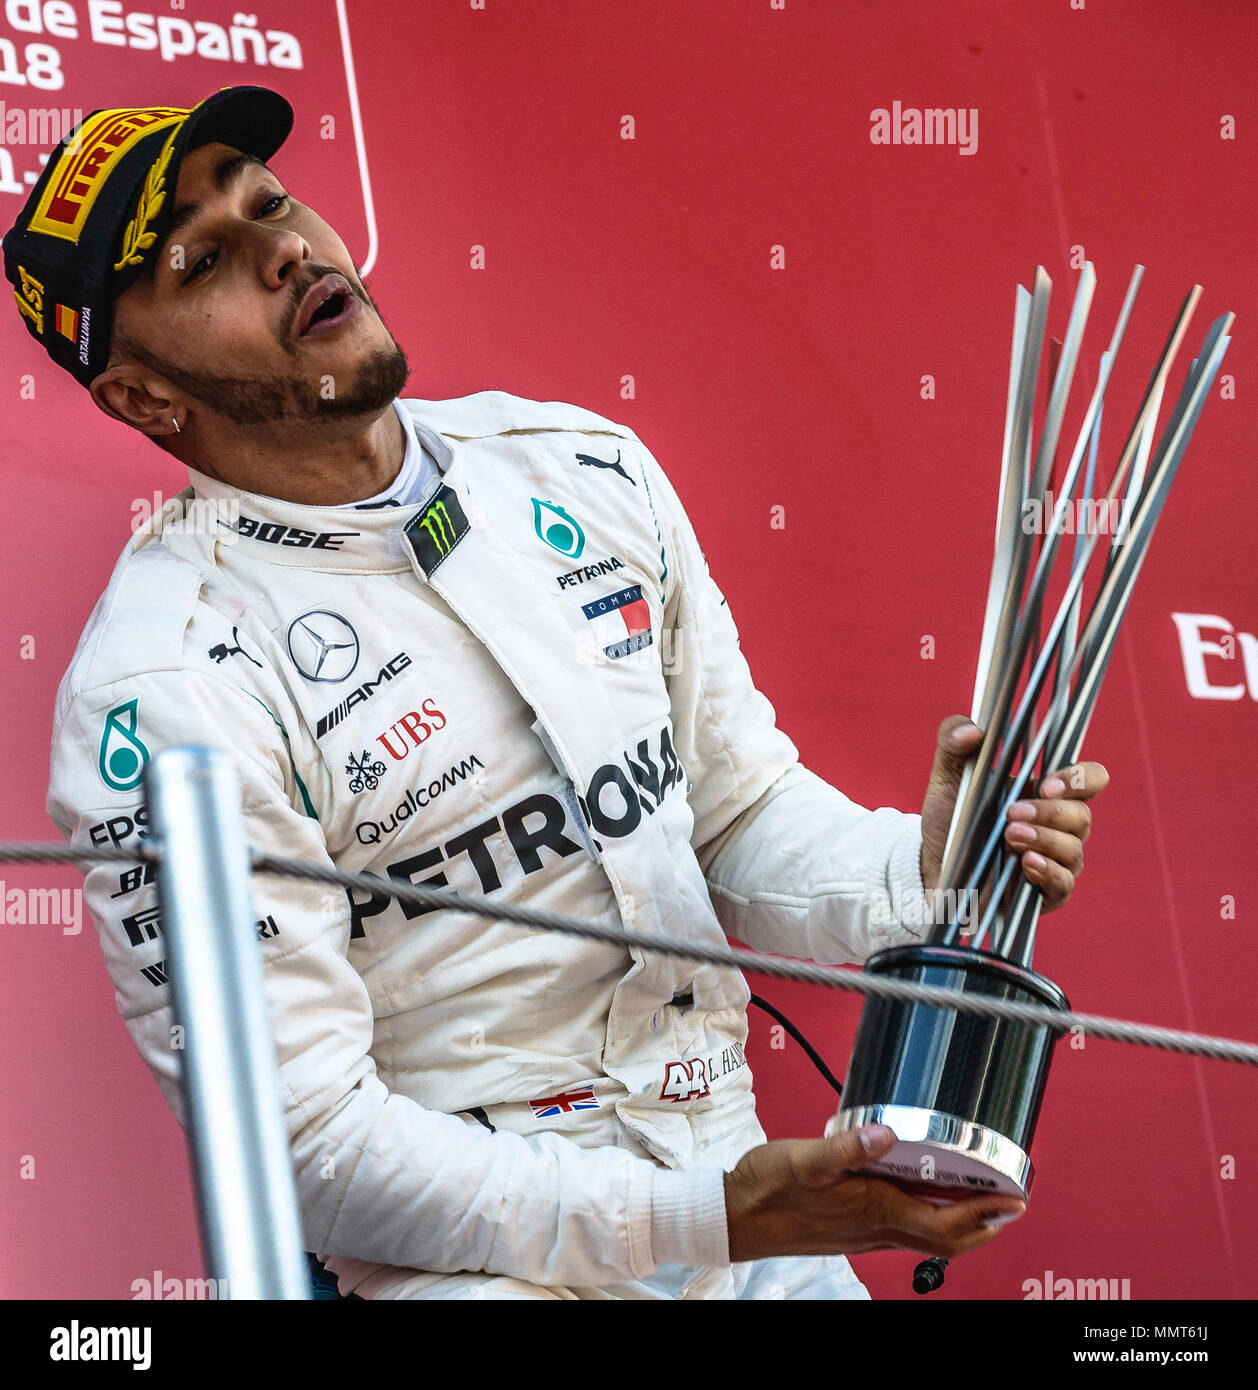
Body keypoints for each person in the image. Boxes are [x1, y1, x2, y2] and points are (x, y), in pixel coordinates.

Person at [4, 86, 1107, 1300]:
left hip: (747, 1209)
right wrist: (705, 1213)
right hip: (484, 1266)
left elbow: (733, 821)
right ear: (145, 399)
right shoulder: (161, 685)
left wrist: (931, 869)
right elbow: (300, 1148)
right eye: (205, 258)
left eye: (269, 201)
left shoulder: (580, 465)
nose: (285, 249)